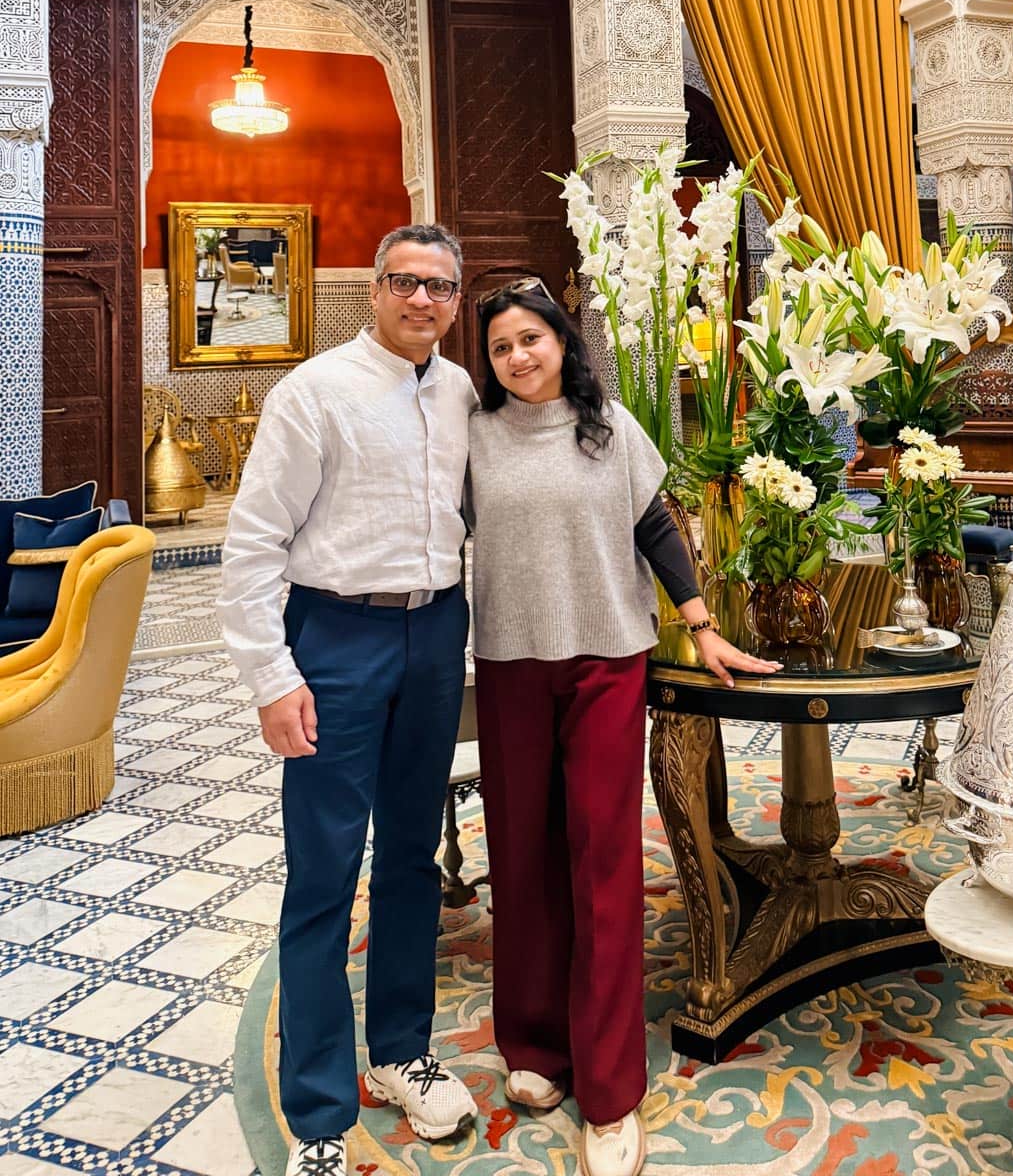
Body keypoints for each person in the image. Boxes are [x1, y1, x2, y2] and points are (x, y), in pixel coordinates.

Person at [467, 283, 779, 1176]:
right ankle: (533, 1045)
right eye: (499, 349)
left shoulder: (610, 429)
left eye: (532, 339)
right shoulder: (475, 439)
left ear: (562, 341)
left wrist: (702, 621)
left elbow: (655, 526)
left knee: (603, 861)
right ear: (485, 364)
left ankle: (610, 1093)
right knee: (522, 853)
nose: (519, 357)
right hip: (511, 662)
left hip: (609, 659)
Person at [218, 223, 479, 1176]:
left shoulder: (458, 391)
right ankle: (320, 1111)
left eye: (441, 288)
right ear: (374, 290)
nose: (422, 301)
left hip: (433, 633)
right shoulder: (314, 393)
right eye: (406, 283)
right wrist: (273, 678)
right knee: (324, 870)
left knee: (412, 854)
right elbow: (252, 547)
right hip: (336, 639)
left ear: (458, 300)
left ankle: (401, 1051)